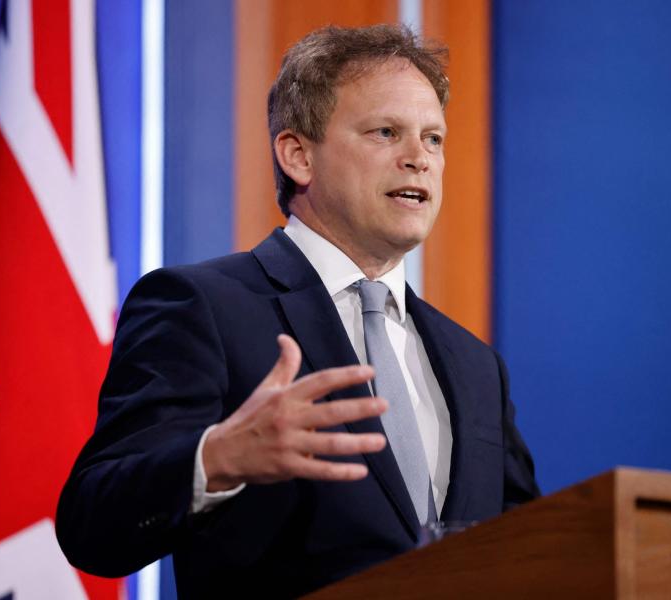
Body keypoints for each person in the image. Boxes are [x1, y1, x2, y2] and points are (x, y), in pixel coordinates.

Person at [56, 24, 539, 598]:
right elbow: (93, 523)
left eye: (433, 139)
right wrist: (218, 459)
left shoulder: (476, 364)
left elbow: (535, 548)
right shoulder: (202, 306)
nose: (420, 159)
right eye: (387, 132)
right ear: (298, 155)